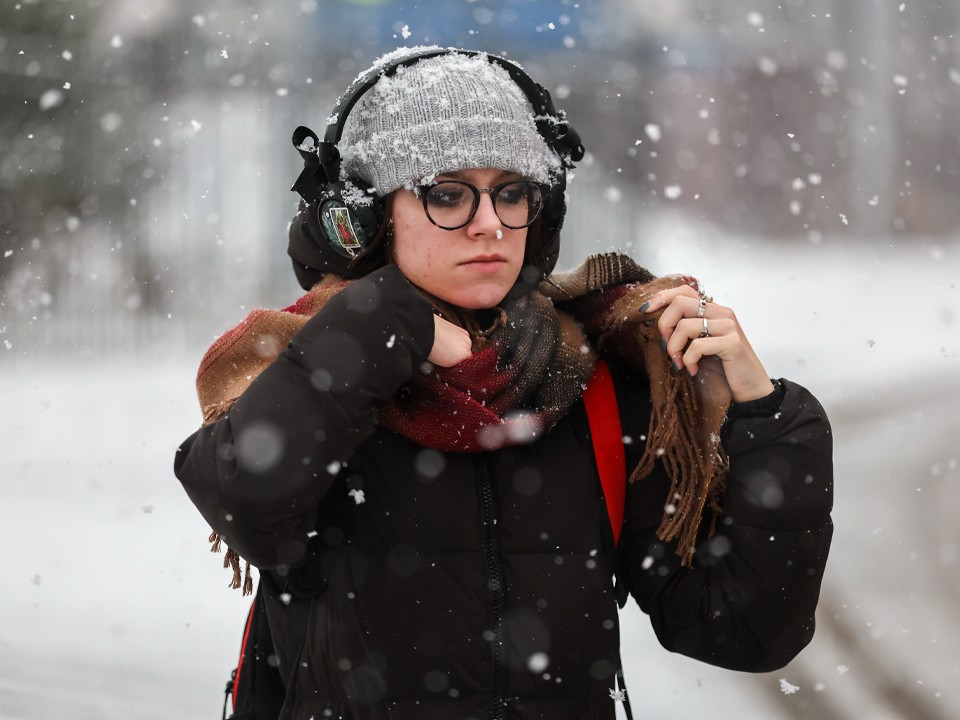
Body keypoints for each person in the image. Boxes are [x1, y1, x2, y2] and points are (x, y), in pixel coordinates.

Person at [175, 47, 833, 720]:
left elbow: (744, 629)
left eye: (512, 192)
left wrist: (766, 416)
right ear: (368, 216)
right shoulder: (315, 370)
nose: (489, 223)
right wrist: (377, 329)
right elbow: (246, 497)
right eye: (447, 193)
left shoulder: (590, 385)